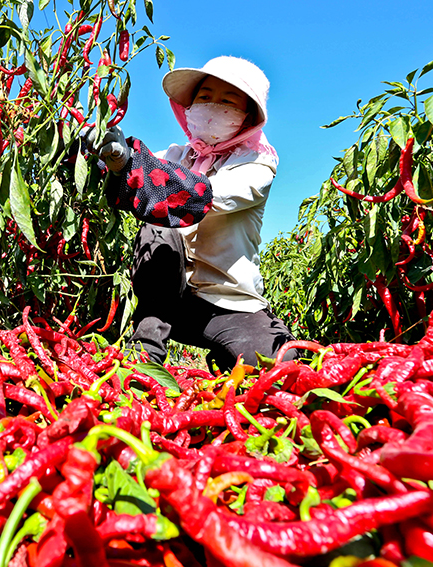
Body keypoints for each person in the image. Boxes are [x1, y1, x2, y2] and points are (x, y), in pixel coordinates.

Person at [83, 55, 298, 371]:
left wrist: (130, 162)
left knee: (281, 363)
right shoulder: (176, 155)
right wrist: (99, 157)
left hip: (228, 304)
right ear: (190, 106)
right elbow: (132, 176)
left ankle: (228, 354)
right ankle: (146, 350)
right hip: (169, 299)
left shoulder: (257, 165)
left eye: (227, 100)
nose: (213, 106)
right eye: (205, 97)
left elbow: (200, 196)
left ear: (247, 117)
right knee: (158, 228)